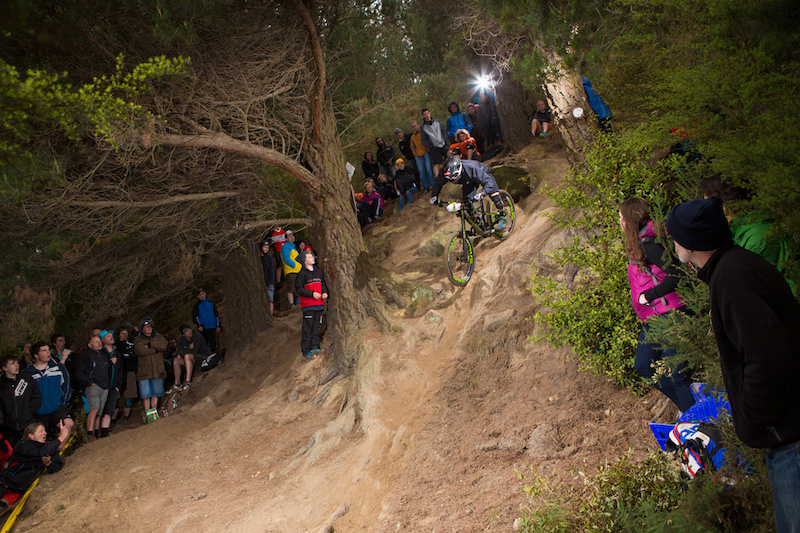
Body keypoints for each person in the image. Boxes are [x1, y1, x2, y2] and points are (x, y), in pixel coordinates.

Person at [666, 197, 800, 533]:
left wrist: (757, 415)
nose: (673, 245)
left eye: (675, 237)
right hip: (785, 434)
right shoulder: (731, 269)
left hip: (790, 435)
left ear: (691, 242)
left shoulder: (734, 278)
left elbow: (768, 357)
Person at [619, 198, 695, 413]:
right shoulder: (640, 244)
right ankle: (689, 408)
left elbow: (678, 275)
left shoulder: (649, 245)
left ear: (629, 220)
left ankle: (698, 423)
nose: (619, 221)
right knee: (643, 366)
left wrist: (648, 296)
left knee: (678, 373)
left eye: (621, 216)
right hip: (655, 317)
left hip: (671, 313)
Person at [0, 420, 69, 515]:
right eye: (40, 431)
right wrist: (61, 438)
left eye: (45, 430)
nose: (45, 433)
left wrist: (49, 464)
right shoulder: (23, 445)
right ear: (30, 435)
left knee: (3, 504)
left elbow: (57, 466)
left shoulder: (48, 448)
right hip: (5, 480)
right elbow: (39, 452)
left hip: (19, 487)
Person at [430, 156, 507, 230]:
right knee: (467, 204)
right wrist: (434, 195)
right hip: (468, 182)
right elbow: (438, 183)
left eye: (455, 175)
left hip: (483, 175)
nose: (453, 179)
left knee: (494, 196)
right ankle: (478, 224)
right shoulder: (446, 172)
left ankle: (502, 215)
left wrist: (482, 193)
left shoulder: (471, 168)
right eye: (450, 178)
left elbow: (488, 182)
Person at [23, 342, 74, 449]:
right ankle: (44, 456)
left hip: (56, 405)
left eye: (48, 350)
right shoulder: (28, 373)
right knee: (37, 436)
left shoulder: (58, 368)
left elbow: (66, 386)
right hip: (38, 410)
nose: (48, 353)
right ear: (36, 355)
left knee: (68, 424)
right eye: (44, 351)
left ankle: (58, 451)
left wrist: (64, 402)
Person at [74, 334, 109, 442]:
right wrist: (89, 382)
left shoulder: (103, 354)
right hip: (93, 386)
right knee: (94, 409)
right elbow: (78, 372)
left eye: (99, 341)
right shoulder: (86, 355)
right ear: (90, 345)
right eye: (96, 342)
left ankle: (95, 433)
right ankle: (89, 433)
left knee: (99, 411)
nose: (99, 343)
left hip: (104, 386)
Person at [0, 355, 41, 446]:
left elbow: (36, 395)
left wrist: (30, 411)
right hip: (9, 429)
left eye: (17, 363)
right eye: (12, 364)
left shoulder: (26, 378)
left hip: (28, 423)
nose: (16, 365)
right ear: (4, 368)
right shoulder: (2, 385)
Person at [295, 249, 328, 360]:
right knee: (307, 328)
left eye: (312, 256)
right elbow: (299, 289)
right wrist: (312, 294)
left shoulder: (318, 271)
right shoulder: (301, 274)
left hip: (319, 305)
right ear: (304, 261)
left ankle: (315, 347)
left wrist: (324, 292)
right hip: (308, 305)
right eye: (309, 257)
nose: (312, 258)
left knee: (317, 327)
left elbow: (322, 283)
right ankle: (306, 352)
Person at [133, 317, 168, 422]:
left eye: (149, 327)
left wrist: (149, 345)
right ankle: (147, 414)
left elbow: (164, 345)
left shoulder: (158, 337)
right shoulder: (138, 340)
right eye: (146, 327)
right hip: (144, 371)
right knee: (145, 394)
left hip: (157, 369)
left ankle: (154, 413)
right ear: (142, 329)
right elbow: (140, 350)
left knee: (156, 393)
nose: (148, 328)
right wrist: (155, 350)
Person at [168, 325, 212, 393]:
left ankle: (187, 381)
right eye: (186, 331)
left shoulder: (197, 335)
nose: (189, 332)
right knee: (176, 360)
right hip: (192, 359)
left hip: (204, 357)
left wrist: (184, 351)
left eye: (189, 330)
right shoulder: (182, 340)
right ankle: (177, 384)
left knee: (187, 356)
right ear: (183, 334)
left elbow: (195, 351)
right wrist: (188, 348)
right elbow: (179, 352)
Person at [98, 330, 122, 437]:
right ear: (102, 340)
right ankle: (94, 434)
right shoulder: (100, 353)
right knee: (99, 411)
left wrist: (118, 386)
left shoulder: (117, 352)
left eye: (111, 336)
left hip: (113, 386)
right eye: (108, 336)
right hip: (102, 386)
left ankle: (105, 432)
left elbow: (121, 370)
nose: (111, 337)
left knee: (109, 410)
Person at [117, 327, 138, 424]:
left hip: (130, 371)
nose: (125, 335)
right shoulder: (115, 347)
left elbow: (135, 355)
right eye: (122, 333)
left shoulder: (131, 345)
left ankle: (126, 416)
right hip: (118, 373)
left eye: (126, 333)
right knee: (116, 396)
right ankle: (113, 419)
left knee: (129, 394)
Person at [420, 108, 448, 179]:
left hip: (442, 143)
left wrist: (444, 140)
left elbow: (443, 131)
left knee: (449, 154)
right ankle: (438, 179)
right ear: (423, 116)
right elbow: (423, 139)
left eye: (427, 113)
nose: (426, 115)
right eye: (424, 114)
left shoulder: (437, 122)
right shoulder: (423, 127)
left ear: (429, 113)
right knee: (436, 163)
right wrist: (430, 146)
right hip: (434, 147)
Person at [410, 120, 434, 192]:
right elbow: (412, 147)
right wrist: (415, 154)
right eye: (413, 126)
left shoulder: (424, 132)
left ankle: (432, 184)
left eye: (415, 125)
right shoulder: (413, 137)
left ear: (419, 125)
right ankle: (425, 187)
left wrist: (427, 149)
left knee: (428, 169)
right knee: (422, 171)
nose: (414, 127)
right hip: (418, 155)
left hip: (425, 152)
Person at [281, 230, 303, 308]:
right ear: (286, 238)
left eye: (292, 235)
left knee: (298, 287)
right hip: (291, 271)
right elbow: (286, 258)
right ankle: (292, 305)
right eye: (290, 236)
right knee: (291, 288)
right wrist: (293, 265)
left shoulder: (294, 248)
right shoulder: (285, 247)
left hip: (297, 271)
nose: (292, 237)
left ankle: (298, 304)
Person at [260, 240, 276, 316]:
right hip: (262, 281)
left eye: (267, 247)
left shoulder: (269, 257)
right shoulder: (259, 258)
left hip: (269, 282)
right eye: (264, 247)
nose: (266, 249)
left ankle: (271, 314)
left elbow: (271, 270)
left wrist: (272, 282)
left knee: (270, 299)